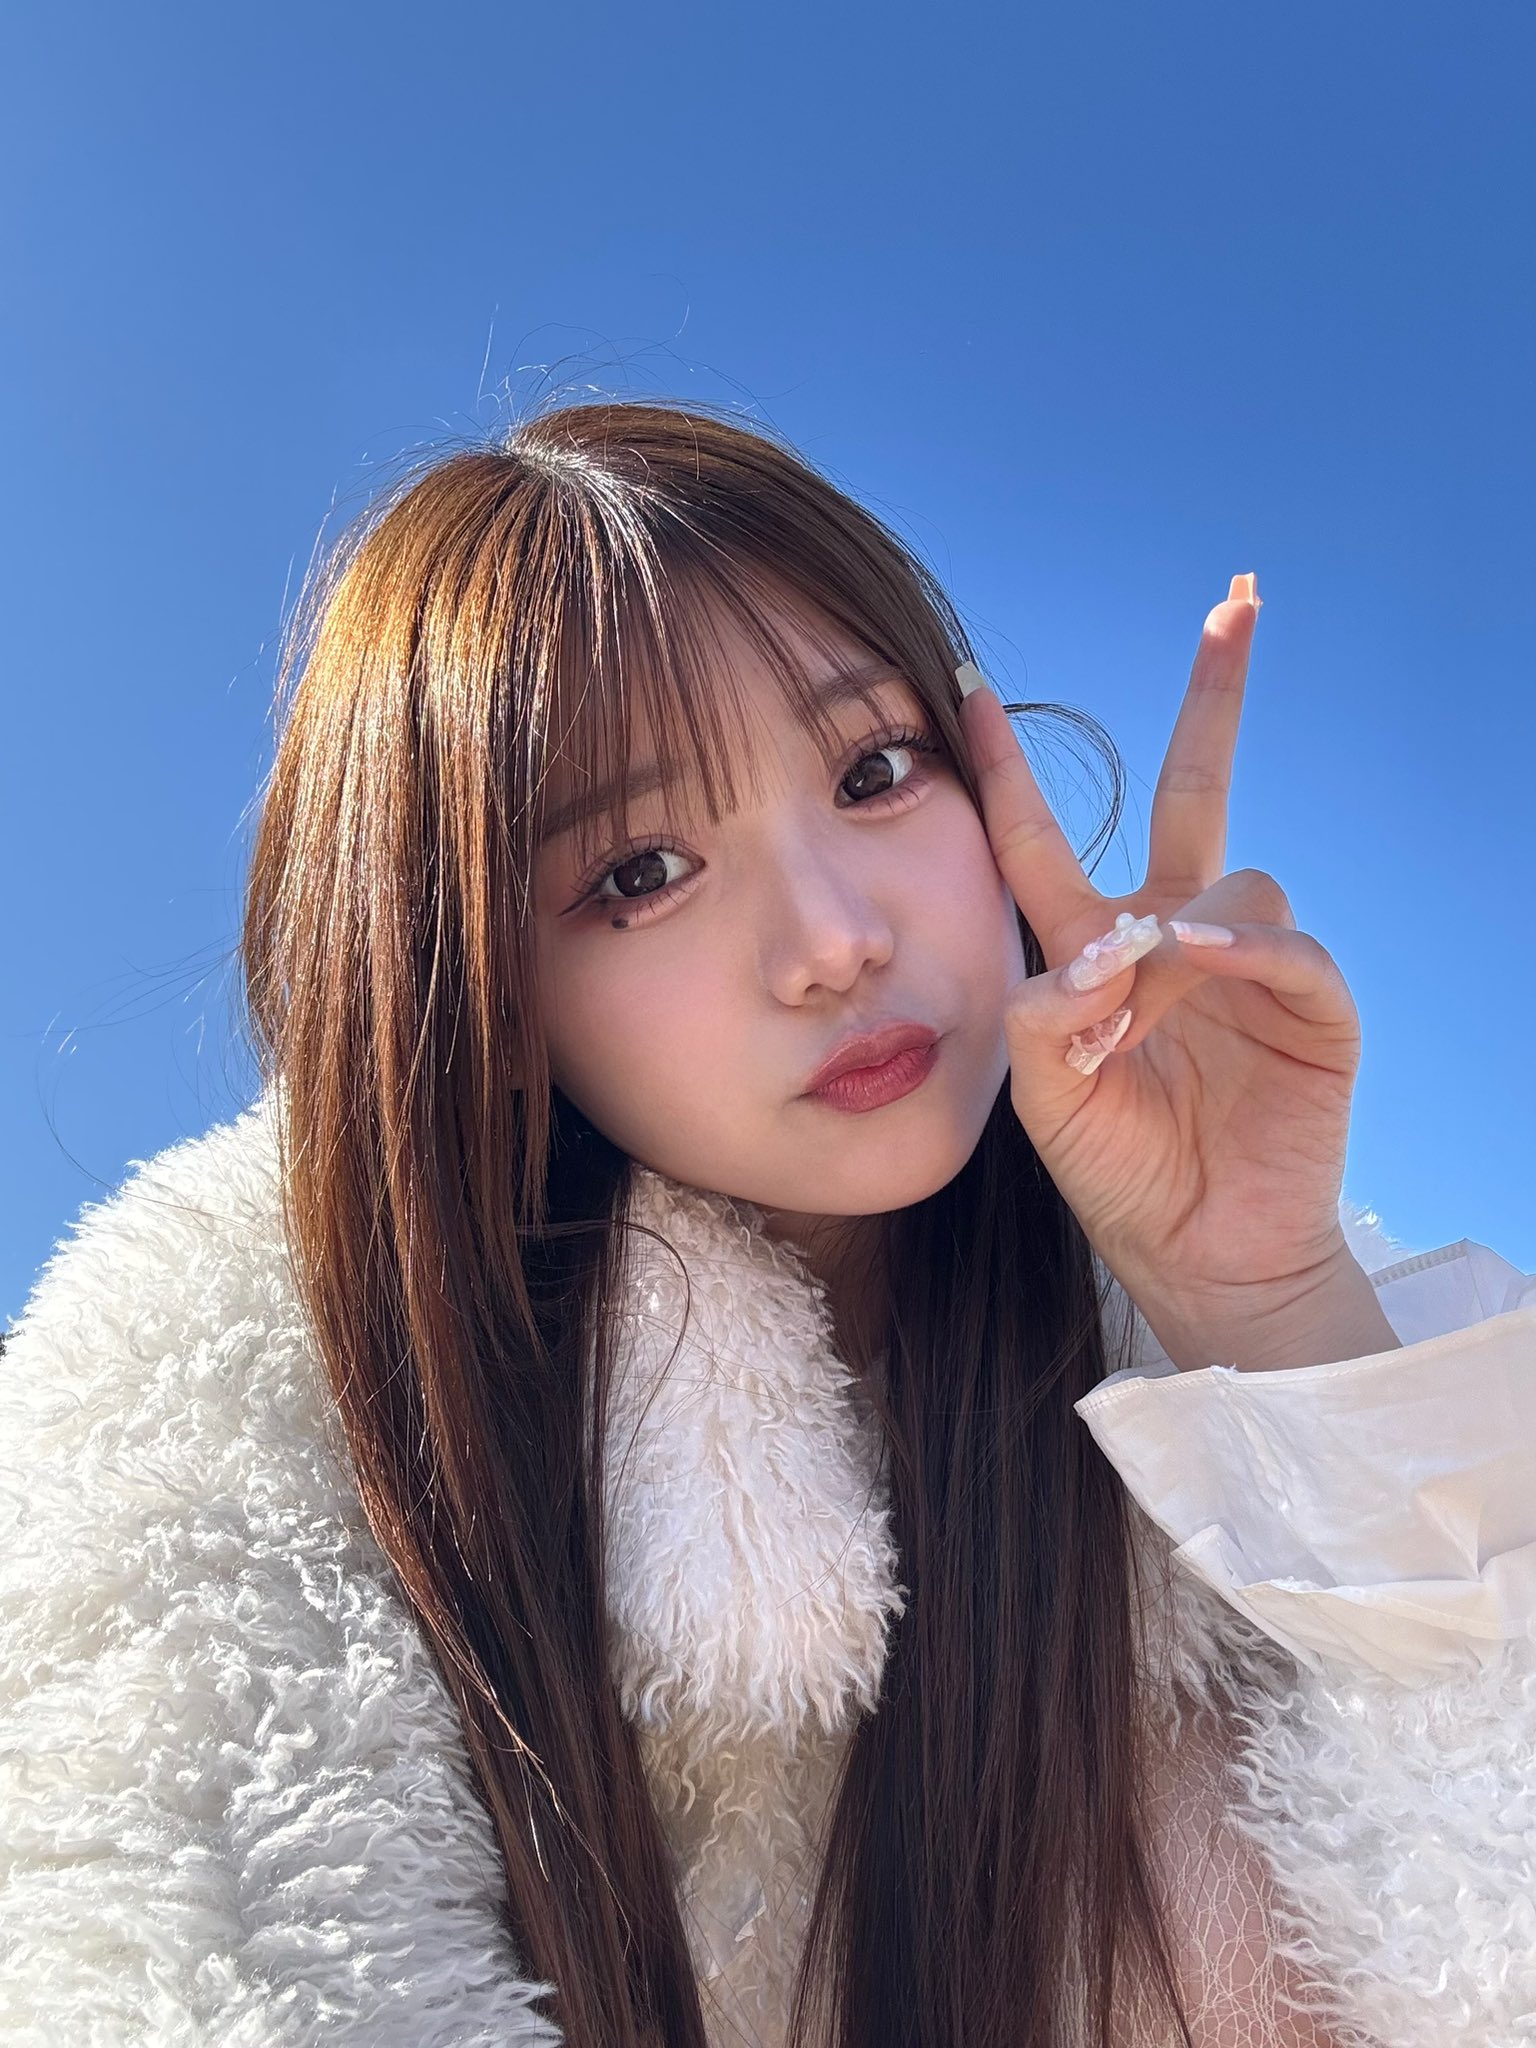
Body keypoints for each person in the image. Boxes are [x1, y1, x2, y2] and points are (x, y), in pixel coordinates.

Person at [1, 400, 1532, 2048]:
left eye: (875, 772)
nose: (833, 940)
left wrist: (1274, 1307)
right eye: (640, 871)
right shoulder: (239, 1405)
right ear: (485, 997)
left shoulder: (1202, 1342)